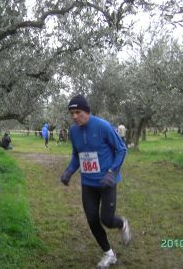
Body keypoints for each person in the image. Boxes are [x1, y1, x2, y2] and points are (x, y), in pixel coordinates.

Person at [60, 94, 131, 268]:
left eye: (78, 112)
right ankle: (109, 254)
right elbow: (78, 155)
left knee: (106, 219)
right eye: (72, 113)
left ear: (87, 111)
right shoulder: (73, 131)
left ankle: (122, 224)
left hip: (107, 182)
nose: (75, 116)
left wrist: (112, 172)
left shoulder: (103, 126)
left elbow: (121, 149)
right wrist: (69, 170)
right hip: (88, 184)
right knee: (92, 219)